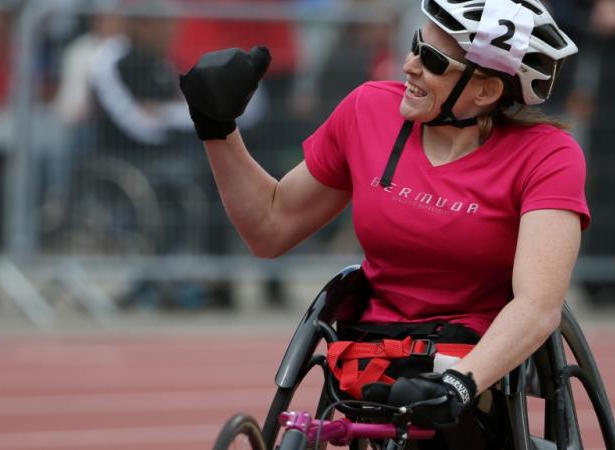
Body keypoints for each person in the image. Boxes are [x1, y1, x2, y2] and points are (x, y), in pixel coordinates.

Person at [180, 0, 587, 445]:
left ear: (486, 91)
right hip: (370, 350)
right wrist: (216, 127)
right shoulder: (368, 111)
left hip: (472, 359)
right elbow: (270, 226)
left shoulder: (548, 155)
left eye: (432, 61)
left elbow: (538, 304)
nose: (409, 65)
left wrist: (462, 380)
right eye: (416, 46)